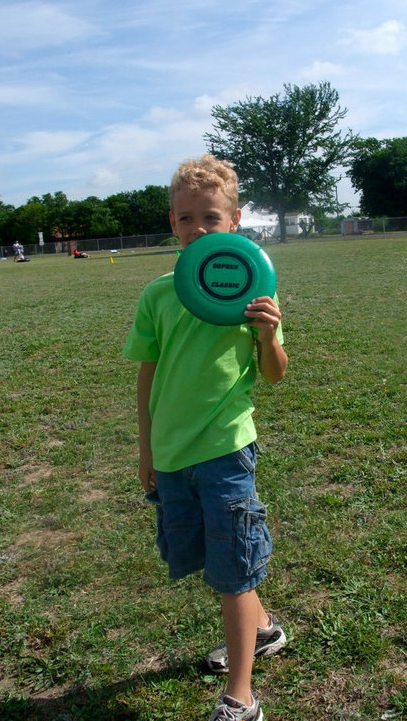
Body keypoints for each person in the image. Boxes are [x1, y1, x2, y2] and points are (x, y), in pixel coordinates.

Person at [123, 155, 288, 721]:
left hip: (225, 450)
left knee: (233, 571)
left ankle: (241, 698)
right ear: (172, 223)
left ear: (235, 220)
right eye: (187, 218)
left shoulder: (252, 289)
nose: (198, 229)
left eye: (211, 218)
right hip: (173, 455)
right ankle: (263, 630)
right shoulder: (159, 295)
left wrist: (268, 334)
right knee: (216, 560)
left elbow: (273, 373)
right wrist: (147, 450)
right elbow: (148, 375)